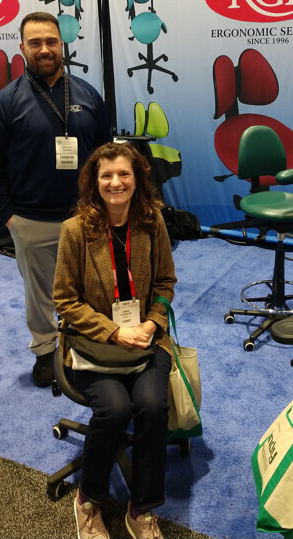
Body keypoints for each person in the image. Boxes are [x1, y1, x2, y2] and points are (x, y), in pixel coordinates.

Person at [0, 11, 111, 387]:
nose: (44, 49)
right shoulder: (4, 103)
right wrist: (9, 217)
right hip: (30, 218)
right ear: (22, 48)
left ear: (62, 45)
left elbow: (104, 152)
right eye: (35, 43)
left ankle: (86, 342)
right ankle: (45, 350)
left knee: (92, 286)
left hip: (85, 214)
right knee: (41, 294)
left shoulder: (88, 95)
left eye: (51, 41)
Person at [53, 142, 176, 539]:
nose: (115, 182)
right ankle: (88, 499)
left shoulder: (152, 222)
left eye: (124, 173)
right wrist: (115, 331)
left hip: (146, 337)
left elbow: (165, 283)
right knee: (115, 409)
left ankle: (141, 509)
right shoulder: (75, 230)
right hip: (94, 342)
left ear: (137, 178)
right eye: (106, 175)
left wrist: (153, 323)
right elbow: (64, 301)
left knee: (152, 406)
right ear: (95, 182)